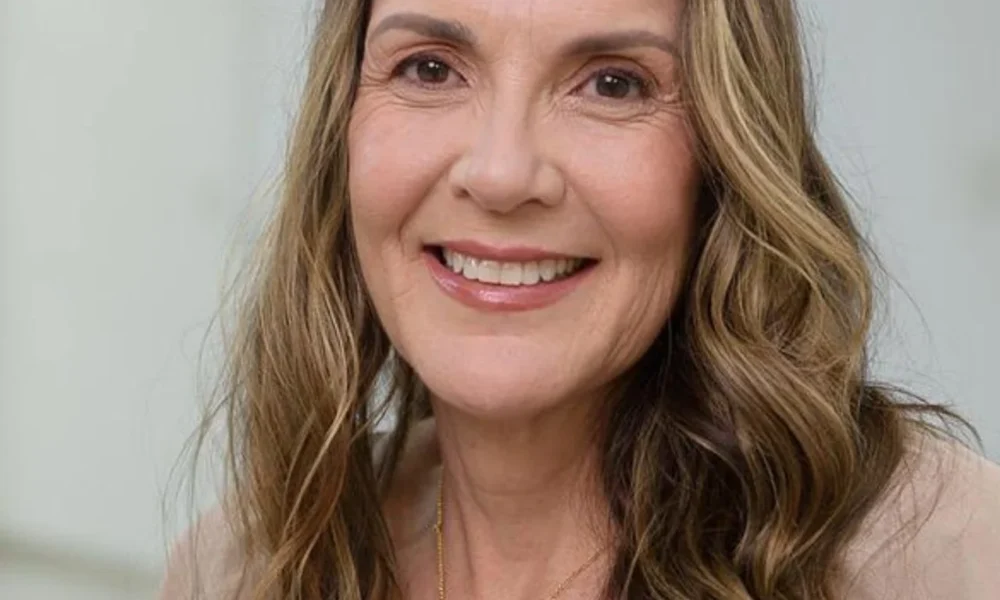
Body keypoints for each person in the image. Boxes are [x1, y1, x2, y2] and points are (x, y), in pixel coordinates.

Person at [159, 0, 1000, 598]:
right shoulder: (242, 566)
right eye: (430, 67)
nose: (501, 173)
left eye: (613, 84)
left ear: (726, 157)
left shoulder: (947, 557)